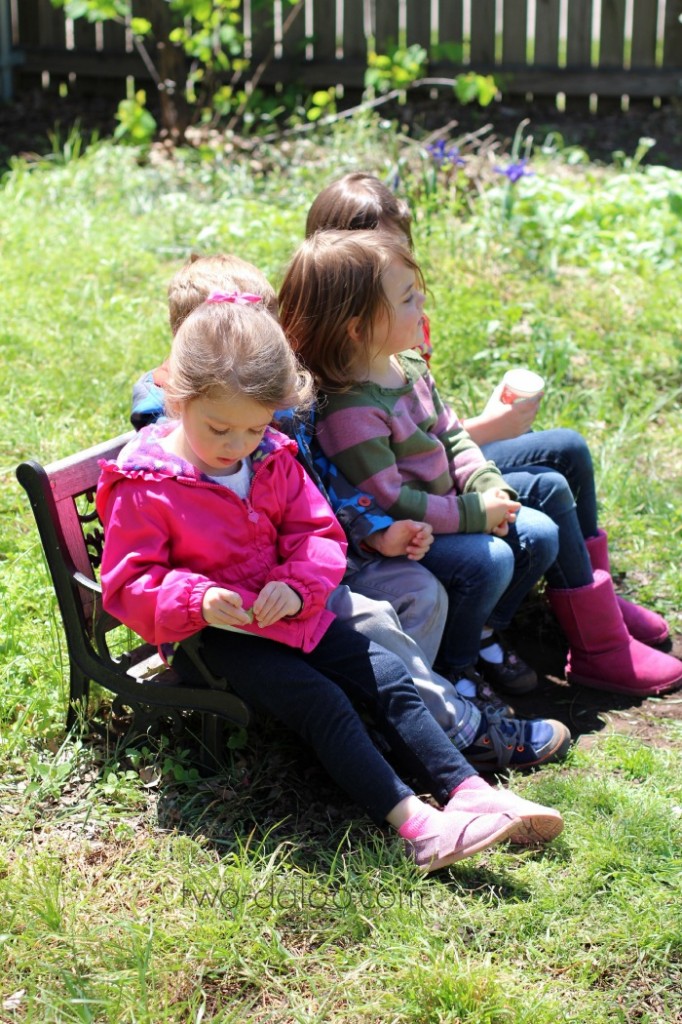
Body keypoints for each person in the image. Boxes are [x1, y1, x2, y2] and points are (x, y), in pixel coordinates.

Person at [97, 291, 565, 872]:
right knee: (324, 701)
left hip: (288, 613)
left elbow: (318, 536)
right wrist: (196, 598)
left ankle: (469, 790)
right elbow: (128, 583)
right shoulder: (147, 483)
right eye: (220, 429)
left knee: (389, 673)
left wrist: (297, 585)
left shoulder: (271, 455)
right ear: (178, 398)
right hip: (215, 637)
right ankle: (418, 828)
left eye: (253, 428)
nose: (237, 445)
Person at [301, 172, 682, 698]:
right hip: (419, 513)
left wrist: (482, 473)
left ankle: (596, 611)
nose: (421, 294)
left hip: (443, 482)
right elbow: (395, 476)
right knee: (545, 492)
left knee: (565, 448)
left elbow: (438, 426)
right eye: (398, 268)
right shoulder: (348, 391)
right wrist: (488, 453)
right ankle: (574, 642)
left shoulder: (399, 348)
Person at [279, 229, 564, 703]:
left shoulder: (407, 364)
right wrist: (476, 513)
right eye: (408, 298)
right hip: (405, 537)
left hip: (451, 507)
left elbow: (450, 432)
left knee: (540, 536)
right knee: (491, 561)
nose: (422, 304)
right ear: (357, 327)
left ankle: (484, 633)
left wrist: (486, 481)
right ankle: (457, 667)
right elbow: (392, 499)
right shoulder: (351, 411)